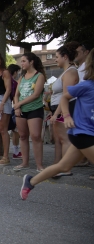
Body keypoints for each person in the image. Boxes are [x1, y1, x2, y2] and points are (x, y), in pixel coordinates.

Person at [21, 49, 94, 200]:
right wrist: (66, 116)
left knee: (64, 166)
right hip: (83, 133)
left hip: (87, 133)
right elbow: (65, 97)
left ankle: (31, 181)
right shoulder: (87, 85)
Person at [49, 43, 79, 176]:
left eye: (57, 57)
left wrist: (57, 113)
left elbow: (66, 96)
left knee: (65, 138)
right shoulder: (66, 72)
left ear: (65, 57)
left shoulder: (71, 72)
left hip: (64, 109)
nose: (55, 59)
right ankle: (59, 165)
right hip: (59, 108)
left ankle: (66, 168)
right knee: (59, 139)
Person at [13, 52, 47, 172]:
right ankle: (25, 163)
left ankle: (39, 165)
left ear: (31, 62)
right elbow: (16, 94)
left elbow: (36, 94)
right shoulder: (21, 77)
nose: (21, 63)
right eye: (21, 61)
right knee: (22, 136)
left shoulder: (39, 76)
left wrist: (19, 104)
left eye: (23, 61)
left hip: (34, 109)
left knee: (36, 136)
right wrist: (17, 107)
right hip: (21, 111)